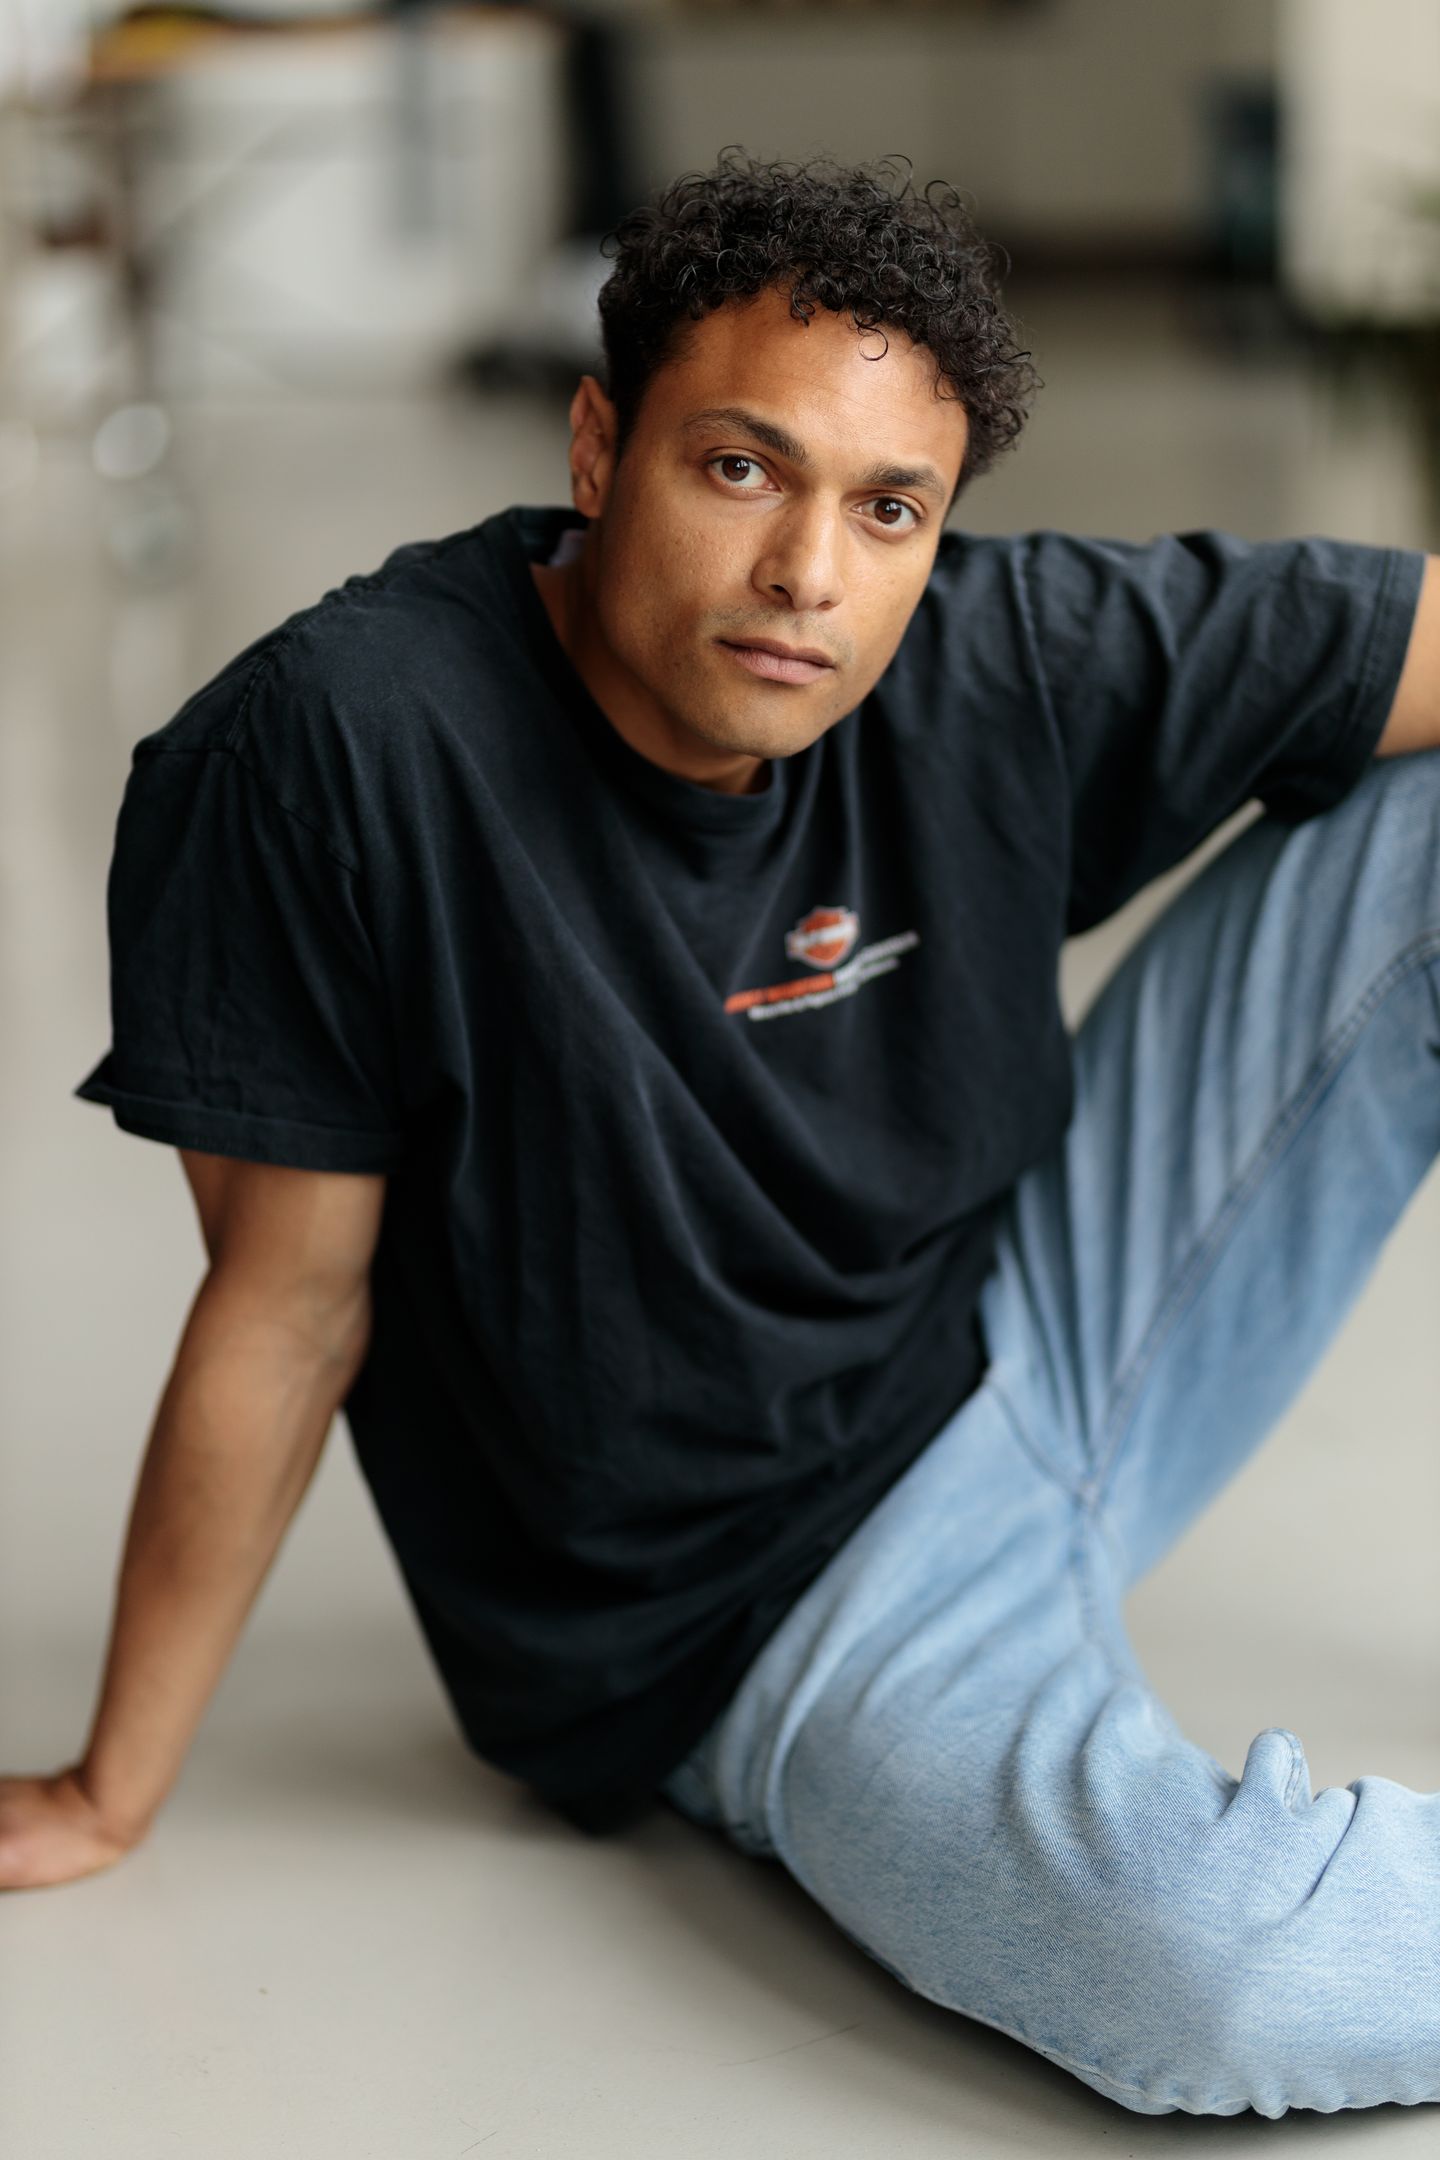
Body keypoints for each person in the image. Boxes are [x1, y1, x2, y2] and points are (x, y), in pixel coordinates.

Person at [3, 150, 1438, 2119]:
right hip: (770, 1607)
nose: (809, 578)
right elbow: (291, 1306)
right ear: (601, 448)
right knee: (1230, 1985)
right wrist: (113, 1784)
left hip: (1058, 1318)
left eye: (890, 508)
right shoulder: (340, 750)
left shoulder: (992, 646)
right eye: (744, 469)